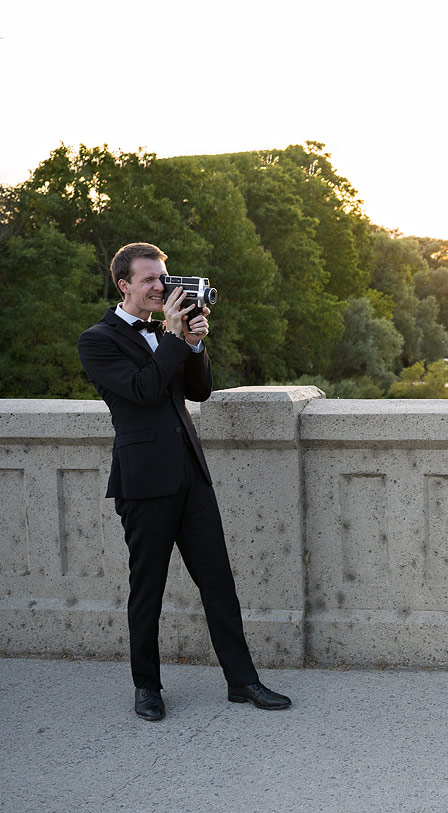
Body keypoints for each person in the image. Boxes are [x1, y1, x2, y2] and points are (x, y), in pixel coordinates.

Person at [77, 242, 291, 721]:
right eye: (149, 279)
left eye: (163, 277)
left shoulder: (166, 332)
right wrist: (175, 339)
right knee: (146, 590)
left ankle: (243, 682)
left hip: (191, 477)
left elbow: (199, 391)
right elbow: (143, 392)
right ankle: (146, 688)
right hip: (144, 483)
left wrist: (194, 343)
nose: (161, 287)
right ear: (124, 284)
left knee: (219, 584)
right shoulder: (97, 339)